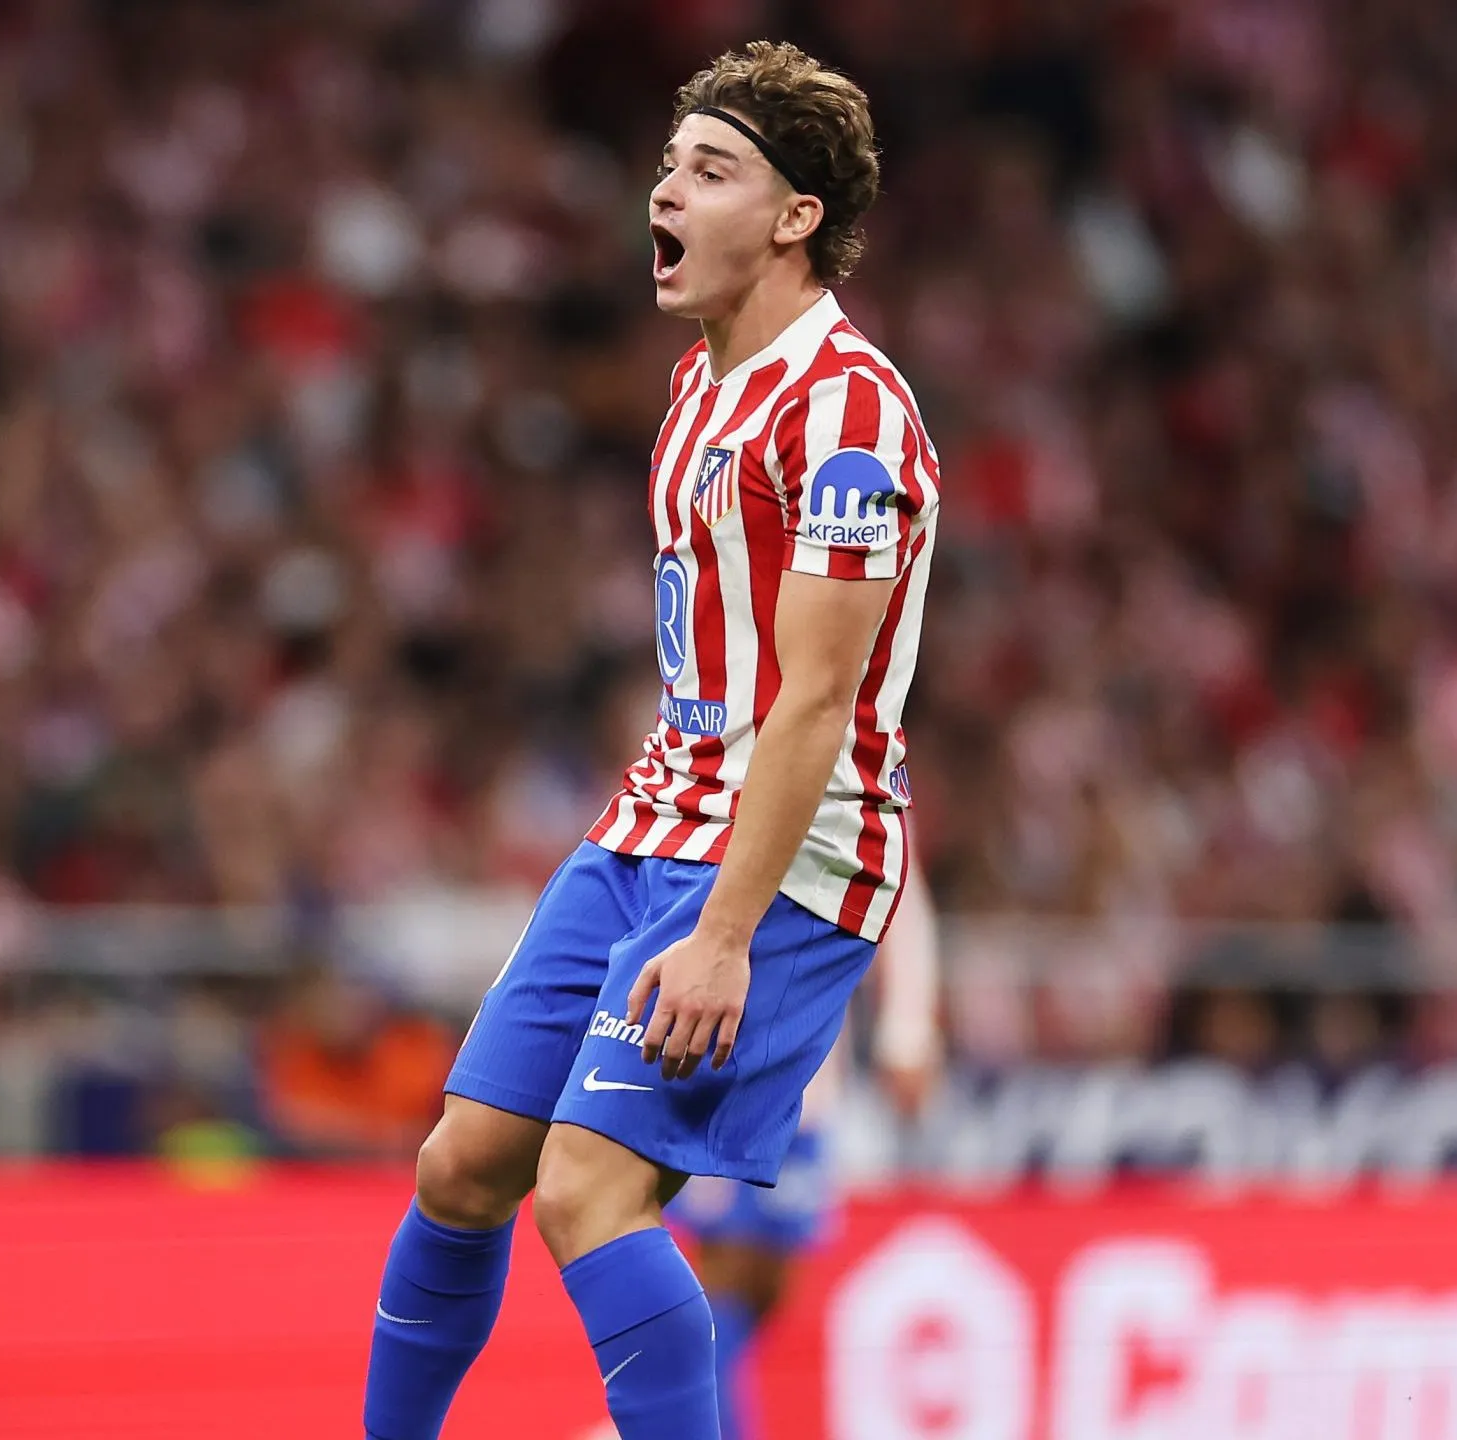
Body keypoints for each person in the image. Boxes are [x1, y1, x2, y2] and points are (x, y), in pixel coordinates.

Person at [360, 42, 939, 1440]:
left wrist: (728, 932)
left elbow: (810, 706)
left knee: (588, 1189)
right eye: (670, 162)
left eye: (712, 169)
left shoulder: (850, 416)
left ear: (797, 217)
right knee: (462, 1165)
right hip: (650, 823)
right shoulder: (694, 388)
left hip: (785, 861)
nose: (665, 191)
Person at [668, 852, 940, 1440]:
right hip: (726, 1059)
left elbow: (898, 889)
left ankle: (660, 1422)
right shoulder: (730, 767)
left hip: (809, 1071)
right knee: (721, 1275)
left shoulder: (861, 767)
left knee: (766, 1283)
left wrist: (907, 1029)